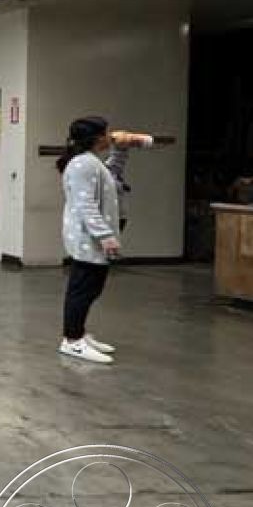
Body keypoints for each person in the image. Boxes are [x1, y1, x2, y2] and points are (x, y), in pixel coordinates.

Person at [56, 117, 148, 364]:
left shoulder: (92, 163)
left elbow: (111, 175)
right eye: (106, 133)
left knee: (92, 288)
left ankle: (79, 333)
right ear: (97, 138)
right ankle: (72, 340)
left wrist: (122, 149)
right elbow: (85, 204)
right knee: (82, 289)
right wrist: (105, 236)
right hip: (88, 239)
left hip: (95, 239)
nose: (110, 136)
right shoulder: (81, 165)